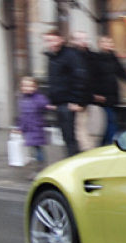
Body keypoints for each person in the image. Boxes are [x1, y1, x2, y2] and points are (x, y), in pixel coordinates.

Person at [43, 29, 89, 157]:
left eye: (52, 40)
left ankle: (73, 162)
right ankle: (72, 160)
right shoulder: (52, 56)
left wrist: (76, 100)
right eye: (47, 40)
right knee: (66, 135)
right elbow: (53, 80)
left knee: (71, 136)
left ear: (60, 39)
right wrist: (52, 100)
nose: (49, 43)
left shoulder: (71, 55)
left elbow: (80, 78)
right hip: (60, 102)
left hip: (69, 102)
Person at [89, 35, 126, 147]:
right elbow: (91, 77)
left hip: (113, 93)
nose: (109, 44)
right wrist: (95, 94)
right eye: (105, 42)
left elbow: (121, 72)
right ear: (100, 44)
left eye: (110, 42)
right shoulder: (95, 58)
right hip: (102, 95)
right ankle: (114, 143)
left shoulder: (113, 58)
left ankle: (103, 144)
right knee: (111, 119)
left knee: (109, 120)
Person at [69, 31, 97, 151]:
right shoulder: (78, 56)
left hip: (82, 98)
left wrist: (79, 101)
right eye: (80, 39)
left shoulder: (84, 55)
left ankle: (88, 151)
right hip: (80, 97)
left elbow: (84, 79)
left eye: (85, 38)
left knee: (81, 128)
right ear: (74, 41)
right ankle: (88, 150)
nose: (83, 41)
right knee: (81, 128)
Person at [16, 76, 50, 165]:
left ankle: (41, 165)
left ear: (35, 88)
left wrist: (47, 106)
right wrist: (20, 127)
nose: (28, 88)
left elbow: (45, 104)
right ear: (22, 88)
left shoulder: (38, 98)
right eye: (25, 86)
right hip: (28, 128)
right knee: (34, 147)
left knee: (37, 147)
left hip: (35, 127)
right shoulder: (24, 100)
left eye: (31, 86)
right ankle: (39, 164)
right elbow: (23, 116)